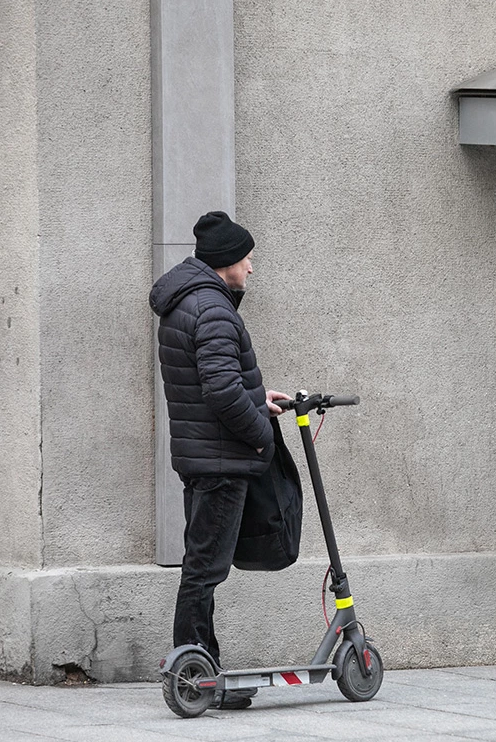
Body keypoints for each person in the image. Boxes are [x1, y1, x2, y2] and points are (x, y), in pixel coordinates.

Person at [149, 211, 291, 709]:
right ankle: (193, 673)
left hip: (203, 456)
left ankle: (202, 668)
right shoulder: (212, 308)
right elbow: (221, 391)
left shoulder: (189, 301)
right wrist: (262, 437)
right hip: (222, 461)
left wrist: (258, 397)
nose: (251, 267)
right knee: (204, 569)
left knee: (202, 565)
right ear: (227, 259)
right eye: (247, 258)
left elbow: (215, 383)